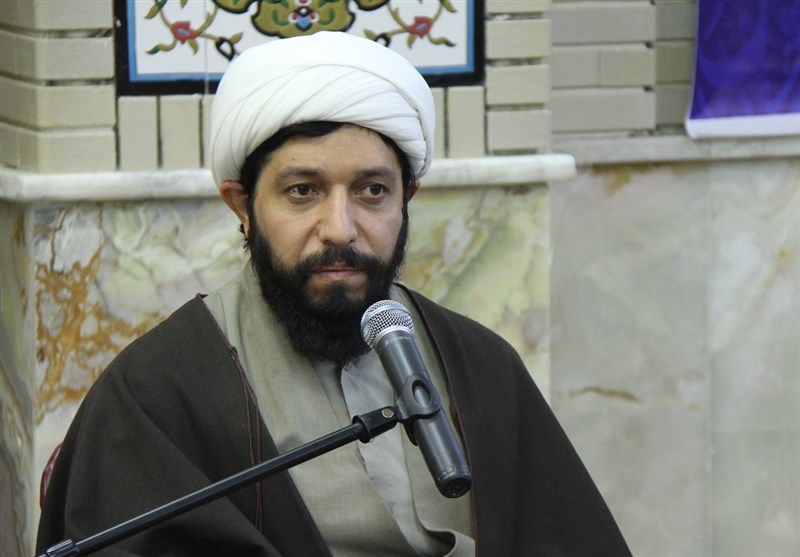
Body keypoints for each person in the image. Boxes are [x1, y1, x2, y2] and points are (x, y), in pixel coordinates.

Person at [36, 32, 631, 556]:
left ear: (406, 200)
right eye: (303, 191)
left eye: (372, 191)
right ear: (242, 206)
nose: (341, 228)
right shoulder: (156, 393)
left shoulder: (482, 367)